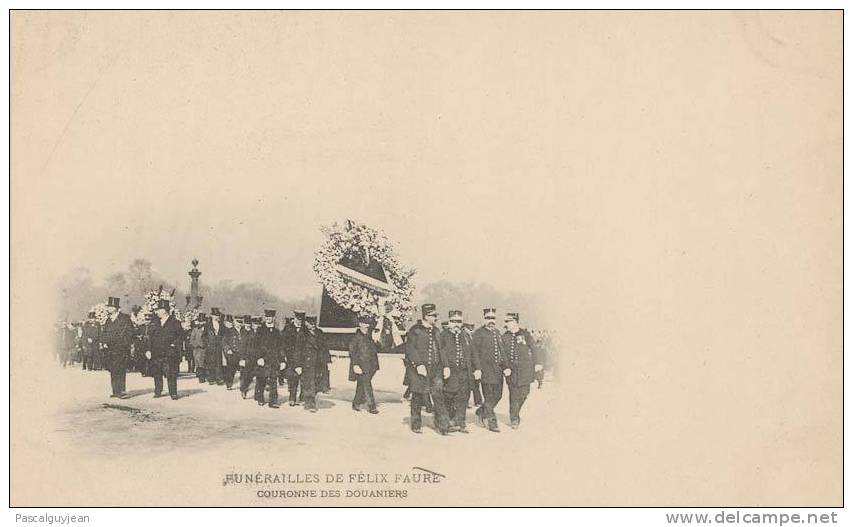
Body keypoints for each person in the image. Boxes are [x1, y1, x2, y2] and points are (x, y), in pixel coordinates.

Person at [405, 303, 450, 435]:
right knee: (418, 397)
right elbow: (410, 349)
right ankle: (416, 424)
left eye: (436, 315)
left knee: (438, 396)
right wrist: (418, 364)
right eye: (433, 315)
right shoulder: (415, 330)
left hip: (435, 370)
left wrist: (446, 366)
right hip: (419, 370)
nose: (436, 318)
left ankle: (443, 425)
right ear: (426, 316)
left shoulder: (436, 331)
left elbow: (442, 350)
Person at [502, 313, 543, 429]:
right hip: (512, 371)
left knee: (524, 394)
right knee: (514, 395)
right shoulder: (504, 337)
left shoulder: (526, 334)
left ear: (515, 322)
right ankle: (514, 418)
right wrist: (505, 367)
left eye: (509, 322)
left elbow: (534, 349)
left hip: (526, 371)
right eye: (506, 322)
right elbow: (502, 354)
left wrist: (538, 363)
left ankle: (515, 412)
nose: (506, 324)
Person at [439, 310, 478, 433]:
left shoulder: (466, 336)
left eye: (459, 321)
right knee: (448, 397)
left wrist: (477, 368)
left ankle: (460, 423)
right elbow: (441, 353)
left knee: (463, 398)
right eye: (453, 321)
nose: (456, 324)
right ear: (449, 321)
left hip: (465, 372)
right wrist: (445, 366)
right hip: (450, 372)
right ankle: (446, 422)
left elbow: (474, 353)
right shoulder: (442, 336)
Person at [472, 307, 507, 432]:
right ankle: (492, 423)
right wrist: (477, 369)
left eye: (493, 318)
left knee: (498, 395)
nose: (490, 320)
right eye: (488, 318)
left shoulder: (497, 332)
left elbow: (502, 351)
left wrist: (506, 366)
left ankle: (481, 411)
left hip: (497, 371)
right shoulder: (478, 333)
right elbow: (474, 353)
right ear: (484, 319)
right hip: (485, 371)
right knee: (488, 396)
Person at [147, 299, 184, 400]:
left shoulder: (175, 322)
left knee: (171, 373)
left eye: (159, 310)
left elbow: (180, 337)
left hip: (170, 353)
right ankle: (158, 391)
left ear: (164, 310)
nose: (157, 312)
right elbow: (150, 338)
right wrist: (149, 350)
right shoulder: (155, 323)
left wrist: (174, 345)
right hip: (156, 352)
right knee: (157, 372)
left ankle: (173, 393)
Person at [100, 297, 133, 399]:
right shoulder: (109, 320)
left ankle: (121, 391)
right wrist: (104, 342)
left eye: (111, 307)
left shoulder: (125, 318)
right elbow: (104, 333)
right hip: (110, 349)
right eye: (108, 307)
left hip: (121, 348)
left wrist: (125, 343)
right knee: (113, 369)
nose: (109, 309)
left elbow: (130, 331)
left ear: (116, 308)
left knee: (120, 369)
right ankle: (115, 390)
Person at [348, 314, 379, 414]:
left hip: (372, 365)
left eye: (368, 324)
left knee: (362, 384)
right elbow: (352, 352)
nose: (367, 326)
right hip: (361, 365)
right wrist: (355, 365)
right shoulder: (356, 338)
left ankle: (356, 402)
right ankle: (371, 406)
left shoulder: (370, 336)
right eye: (365, 323)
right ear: (360, 324)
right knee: (367, 384)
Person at [253, 309, 284, 408]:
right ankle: (260, 397)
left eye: (270, 317)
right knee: (261, 379)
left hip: (274, 360)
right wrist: (259, 358)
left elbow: (280, 347)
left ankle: (273, 401)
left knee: (273, 380)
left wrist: (282, 360)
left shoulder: (277, 332)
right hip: (263, 359)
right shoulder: (260, 330)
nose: (268, 319)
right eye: (266, 317)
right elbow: (255, 346)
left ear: (273, 318)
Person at [298, 315, 325, 412]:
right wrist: (298, 365)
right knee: (308, 383)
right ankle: (309, 404)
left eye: (314, 323)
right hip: (307, 362)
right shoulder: (302, 334)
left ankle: (306, 397)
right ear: (306, 323)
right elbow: (298, 350)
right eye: (310, 323)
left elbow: (324, 347)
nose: (313, 325)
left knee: (316, 382)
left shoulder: (320, 333)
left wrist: (327, 360)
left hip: (318, 362)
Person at [284, 311, 306, 405]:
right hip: (291, 357)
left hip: (303, 357)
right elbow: (283, 342)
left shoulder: (305, 329)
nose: (299, 321)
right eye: (298, 319)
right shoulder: (288, 328)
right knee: (293, 378)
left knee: (303, 378)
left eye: (301, 320)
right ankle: (292, 397)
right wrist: (284, 355)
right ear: (294, 318)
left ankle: (302, 396)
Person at [463, 322, 483, 407]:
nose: (471, 330)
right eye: (469, 328)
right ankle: (466, 401)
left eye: (472, 328)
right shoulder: (463, 336)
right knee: (467, 385)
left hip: (474, 365)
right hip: (467, 365)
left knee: (475, 384)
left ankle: (477, 400)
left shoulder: (472, 336)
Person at [204, 308, 225, 386]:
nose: (216, 317)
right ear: (211, 316)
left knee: (218, 363)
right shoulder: (208, 325)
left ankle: (219, 379)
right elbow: (204, 336)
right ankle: (211, 378)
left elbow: (223, 335)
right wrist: (207, 343)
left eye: (217, 315)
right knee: (211, 363)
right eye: (215, 315)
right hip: (210, 347)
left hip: (219, 347)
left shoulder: (221, 325)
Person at [235, 315, 254, 398]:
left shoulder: (253, 332)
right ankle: (243, 389)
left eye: (249, 325)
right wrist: (241, 358)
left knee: (250, 376)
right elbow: (240, 347)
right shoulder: (241, 333)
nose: (248, 326)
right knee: (244, 375)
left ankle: (245, 387)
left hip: (252, 357)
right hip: (244, 357)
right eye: (246, 325)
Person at [221, 314, 240, 390]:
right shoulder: (229, 331)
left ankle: (244, 387)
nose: (239, 324)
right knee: (231, 370)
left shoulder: (244, 331)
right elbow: (224, 341)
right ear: (234, 322)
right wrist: (228, 349)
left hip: (241, 353)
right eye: (238, 322)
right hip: (232, 353)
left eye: (241, 322)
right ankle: (229, 384)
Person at [189, 314, 207, 382]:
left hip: (206, 349)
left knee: (206, 363)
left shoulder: (208, 329)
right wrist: (197, 344)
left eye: (203, 321)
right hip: (198, 350)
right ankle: (201, 377)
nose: (202, 323)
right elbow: (192, 339)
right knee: (199, 364)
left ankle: (207, 376)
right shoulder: (195, 329)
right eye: (200, 321)